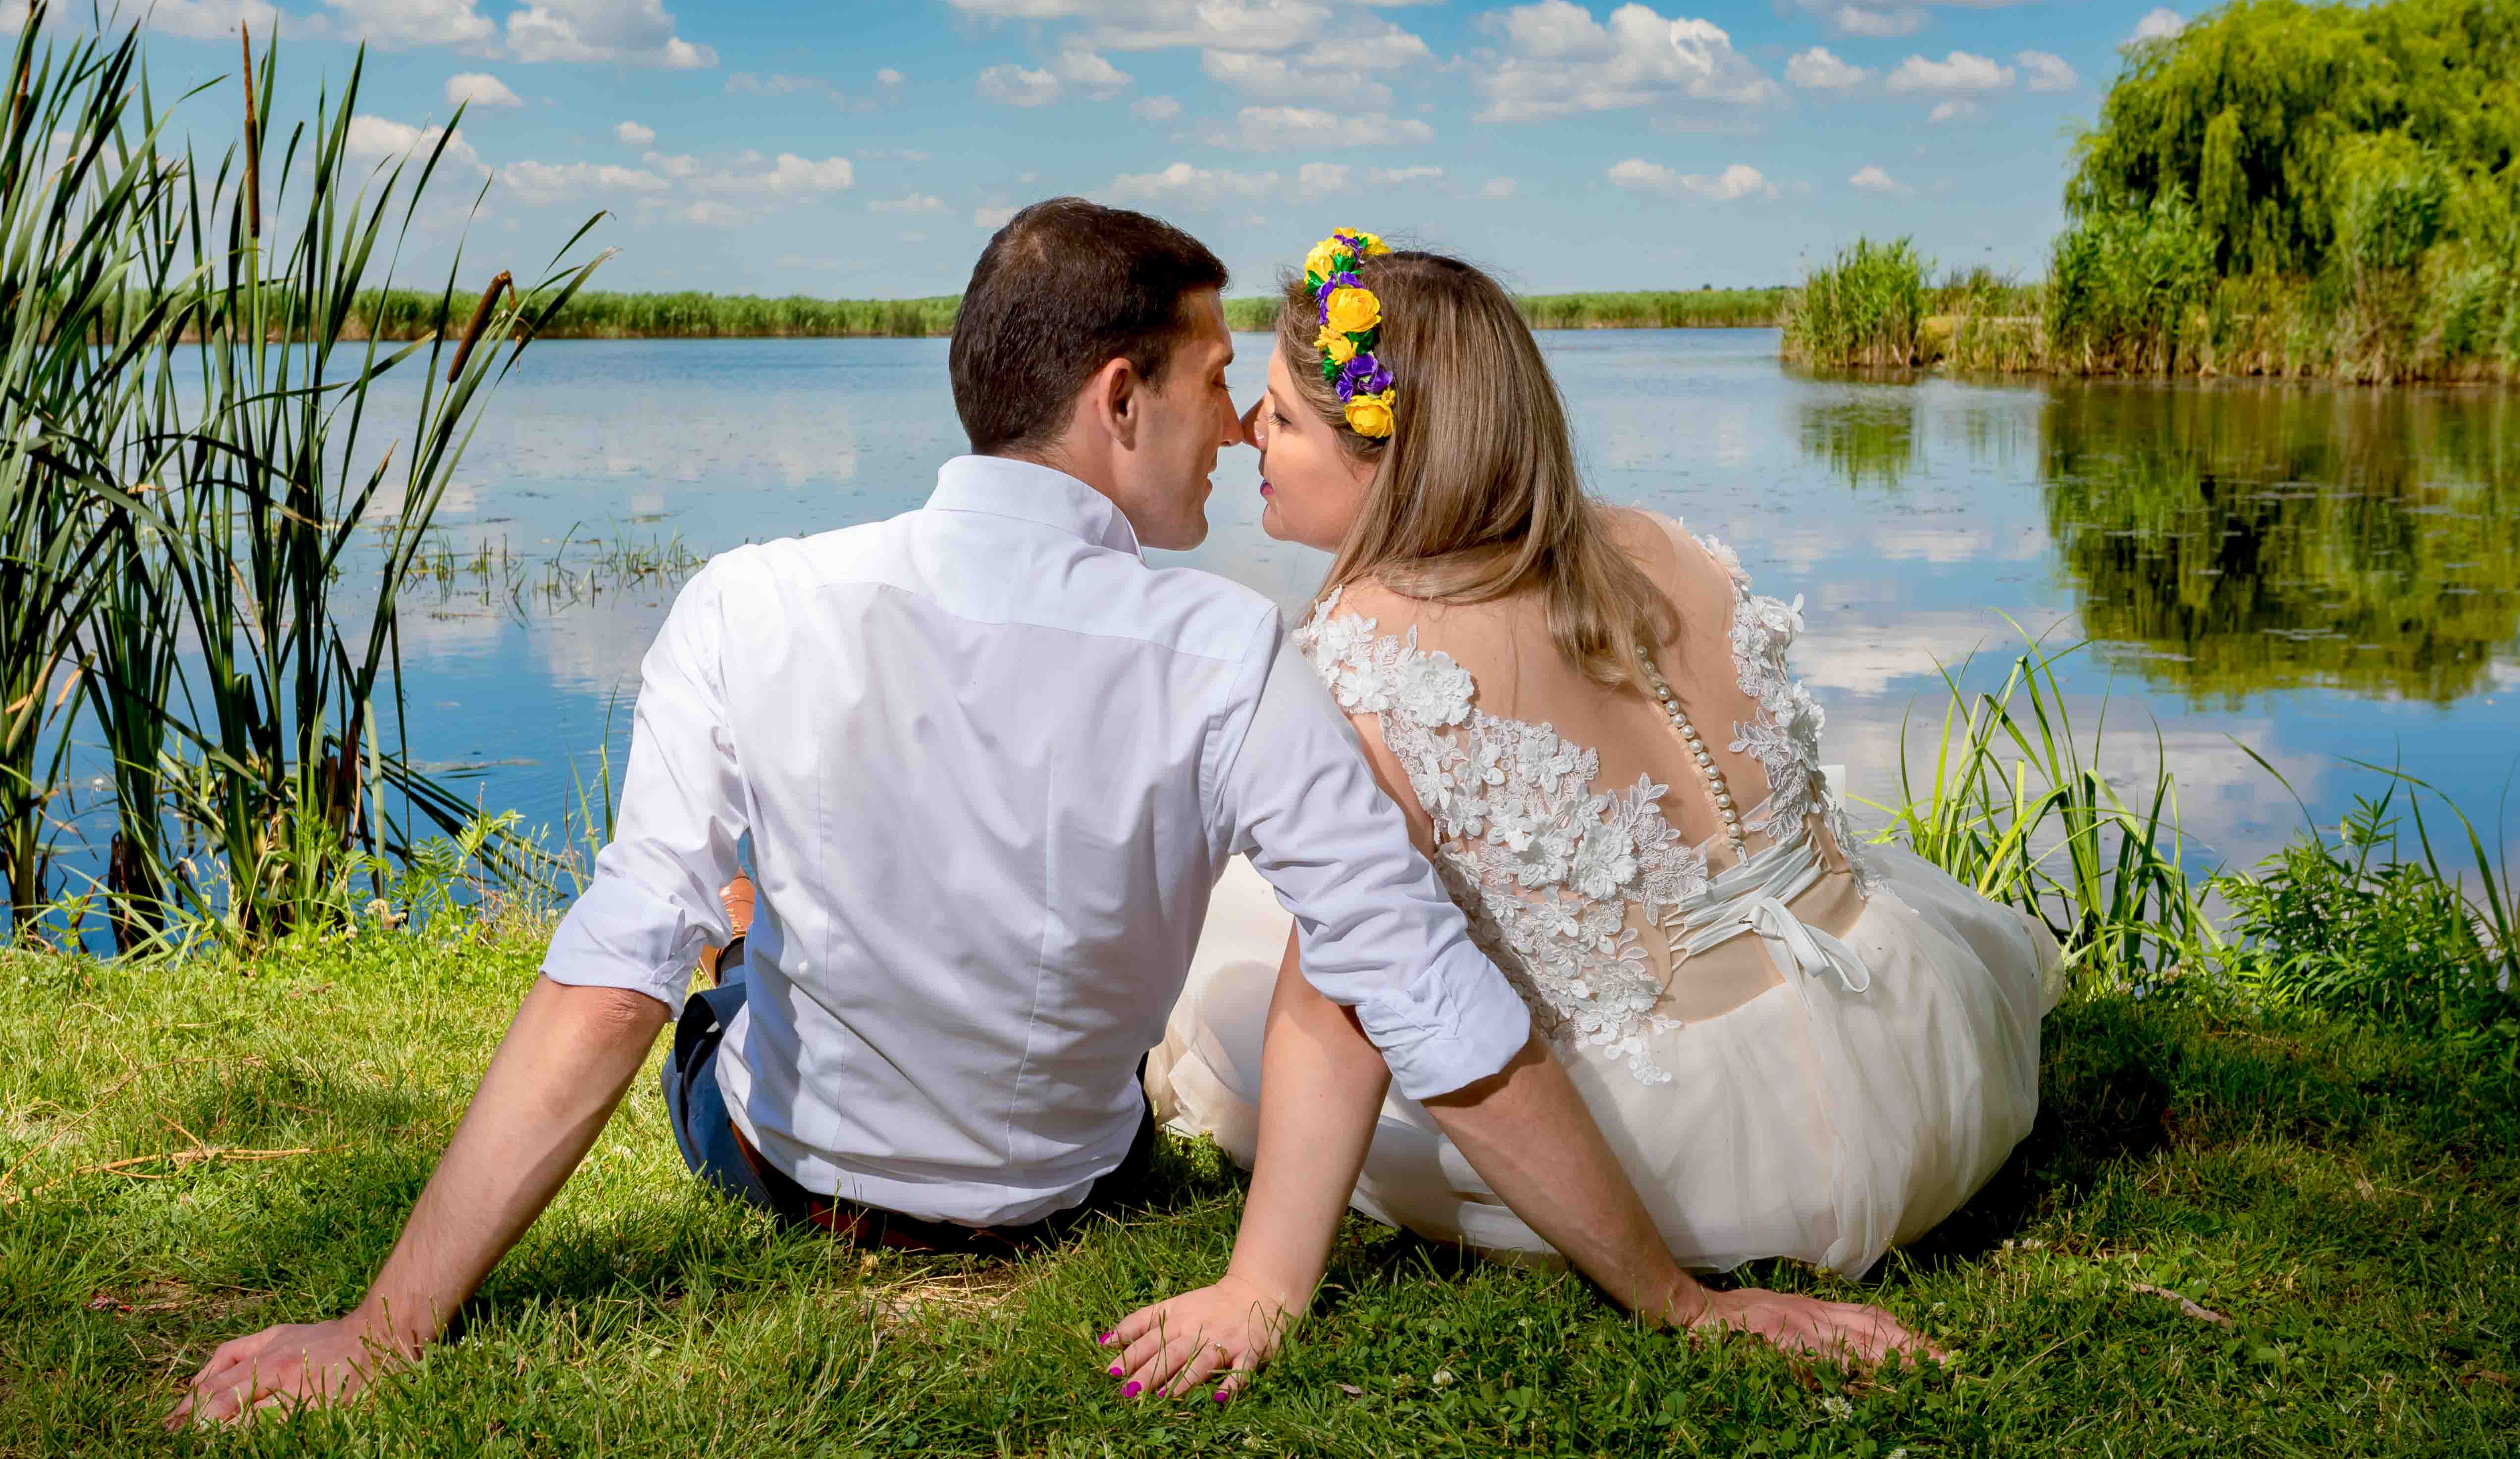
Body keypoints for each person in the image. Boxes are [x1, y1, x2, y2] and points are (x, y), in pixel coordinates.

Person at [170, 201, 1931, 1428]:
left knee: (697, 955)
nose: (1236, 422)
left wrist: (386, 1321)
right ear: (1120, 401)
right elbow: (1427, 1000)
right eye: (1216, 380)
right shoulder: (1237, 658)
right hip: (1068, 1187)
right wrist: (1680, 1304)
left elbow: (608, 979)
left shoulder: (749, 598)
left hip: (782, 1166)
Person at [1120, 230, 2060, 1380]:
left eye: (1280, 417)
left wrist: (1259, 1283)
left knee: (1235, 971)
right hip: (1921, 1056)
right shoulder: (1657, 543)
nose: (1242, 434)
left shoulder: (1372, 653)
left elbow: (1355, 998)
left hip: (1703, 1157)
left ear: (1389, 455)